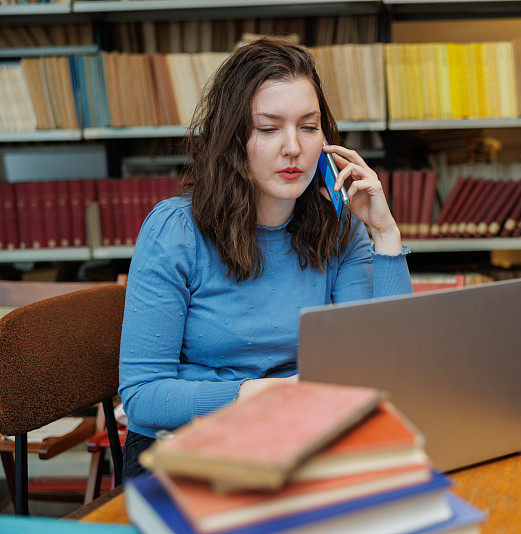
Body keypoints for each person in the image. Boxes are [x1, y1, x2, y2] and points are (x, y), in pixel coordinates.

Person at [118, 38, 412, 482]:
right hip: (183, 444)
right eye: (269, 127)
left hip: (294, 433)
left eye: (309, 127)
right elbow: (143, 397)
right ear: (234, 138)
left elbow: (385, 362)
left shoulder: (340, 226)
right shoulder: (174, 231)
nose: (293, 147)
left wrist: (385, 233)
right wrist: (269, 393)